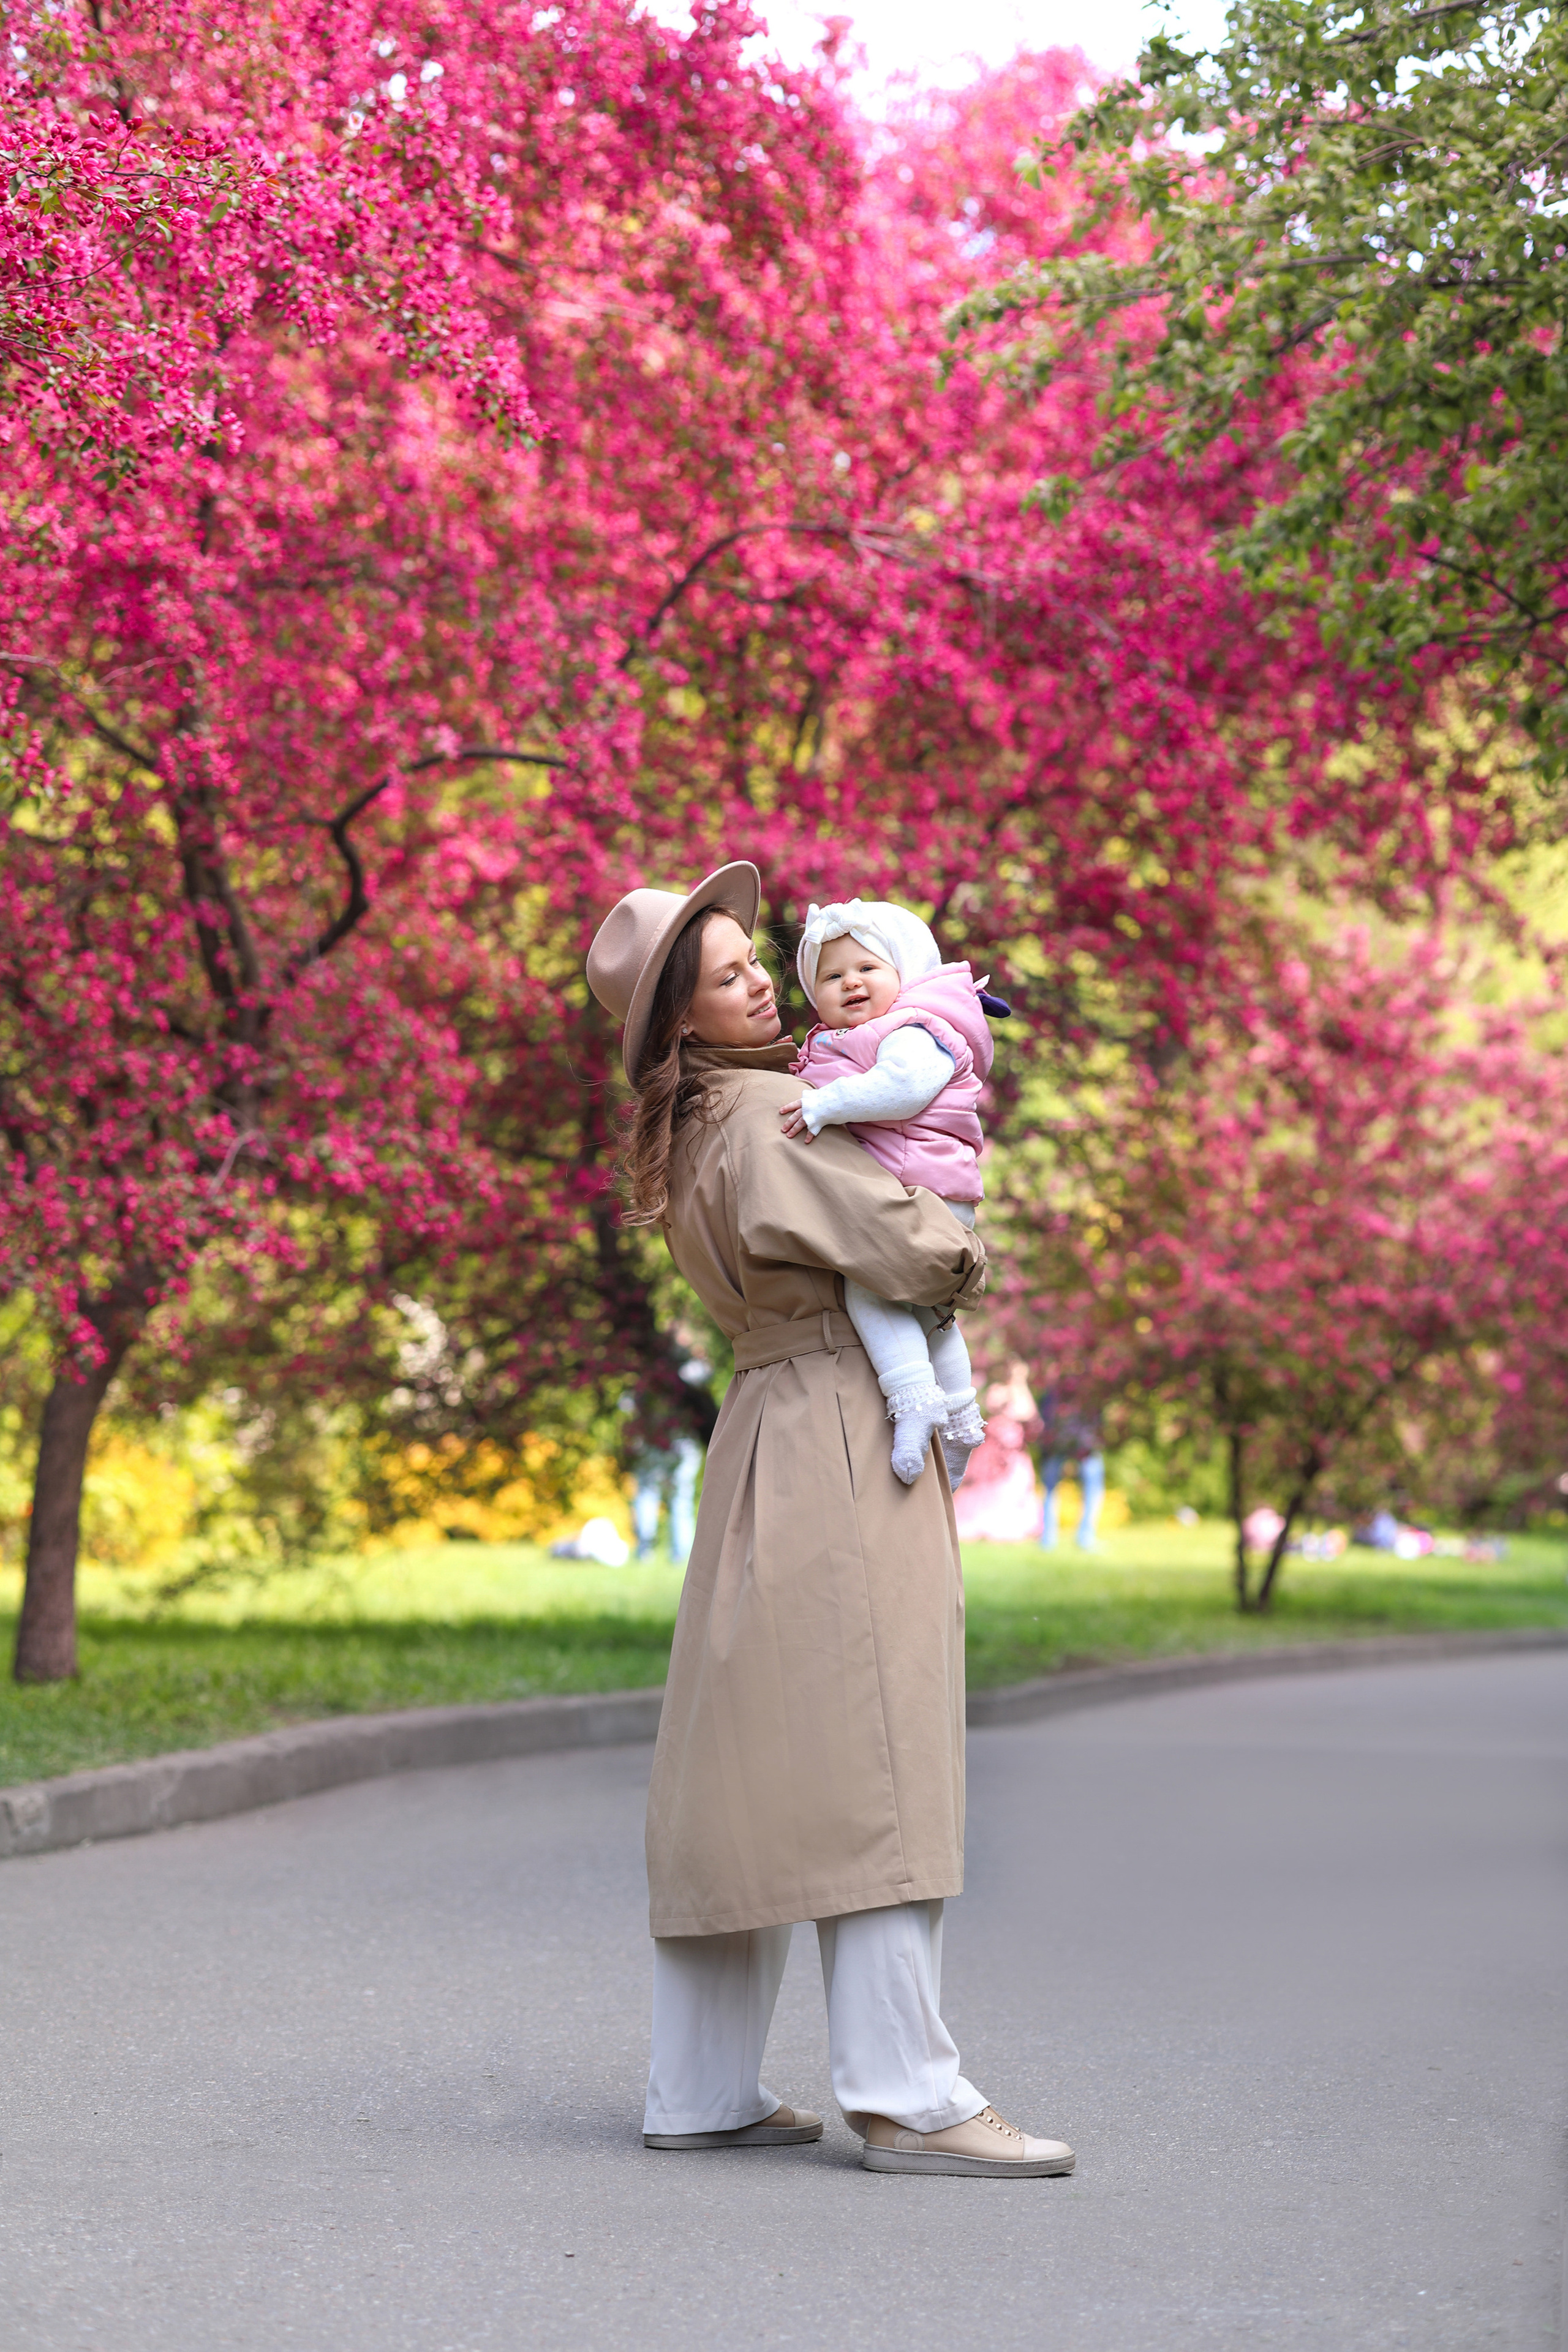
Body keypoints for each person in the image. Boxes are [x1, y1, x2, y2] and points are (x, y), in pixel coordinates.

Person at [586, 862, 1074, 2179]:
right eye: (733, 973)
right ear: (685, 1022)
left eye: (757, 960)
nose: (765, 980)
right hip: (843, 1421)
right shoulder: (774, 1116)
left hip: (764, 1423)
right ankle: (906, 2096)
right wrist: (952, 1225)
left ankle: (696, 2089)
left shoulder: (704, 1124)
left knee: (737, 1769)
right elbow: (919, 1249)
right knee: (880, 1747)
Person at [778, 899, 993, 1487]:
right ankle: (960, 1417)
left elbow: (903, 1088)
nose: (850, 982)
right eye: (831, 975)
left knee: (870, 1289)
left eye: (867, 968)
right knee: (931, 1315)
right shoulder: (847, 1039)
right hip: (922, 1189)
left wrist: (822, 1103)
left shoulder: (913, 1028)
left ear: (904, 971)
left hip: (921, 1188)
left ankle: (913, 1395)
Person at [951, 1361, 1046, 1545]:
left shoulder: (1021, 1392)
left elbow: (1028, 1414)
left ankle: (1009, 1527)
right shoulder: (997, 1389)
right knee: (984, 1485)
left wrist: (1020, 1385)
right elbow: (991, 1406)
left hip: (1014, 1452)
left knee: (1015, 1486)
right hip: (994, 1451)